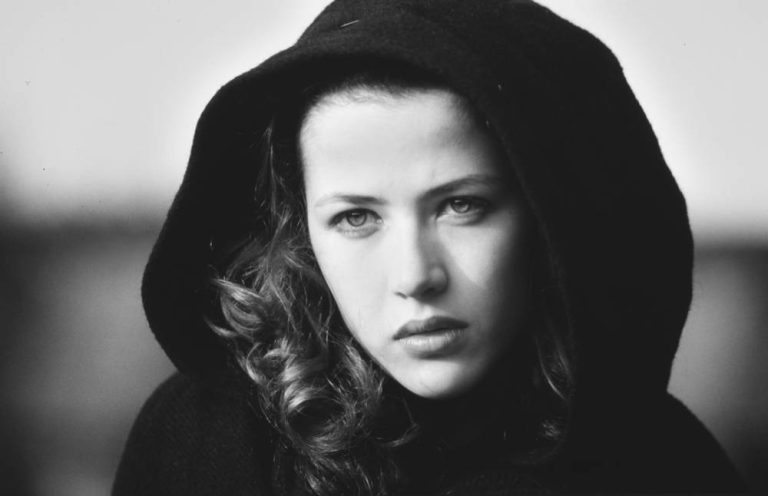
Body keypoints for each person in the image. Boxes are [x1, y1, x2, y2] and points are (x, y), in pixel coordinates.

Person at [113, 0, 745, 494]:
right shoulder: (203, 447)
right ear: (301, 235)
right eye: (356, 218)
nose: (415, 276)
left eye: (461, 206)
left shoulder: (666, 470)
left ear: (547, 216)